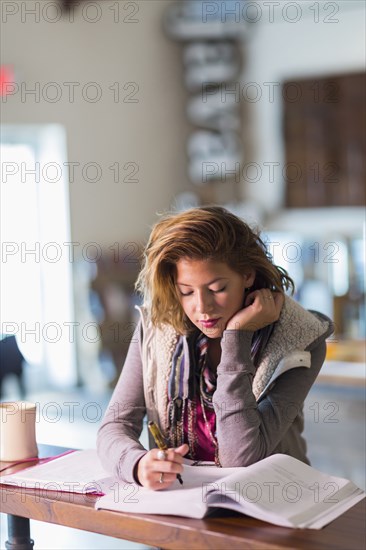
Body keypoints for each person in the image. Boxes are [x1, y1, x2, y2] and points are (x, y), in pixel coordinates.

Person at [97, 205, 333, 491]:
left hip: (274, 503)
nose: (202, 308)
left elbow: (241, 455)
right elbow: (115, 426)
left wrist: (236, 335)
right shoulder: (158, 326)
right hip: (182, 505)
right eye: (186, 291)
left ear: (247, 275)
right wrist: (136, 464)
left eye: (217, 289)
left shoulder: (300, 339)